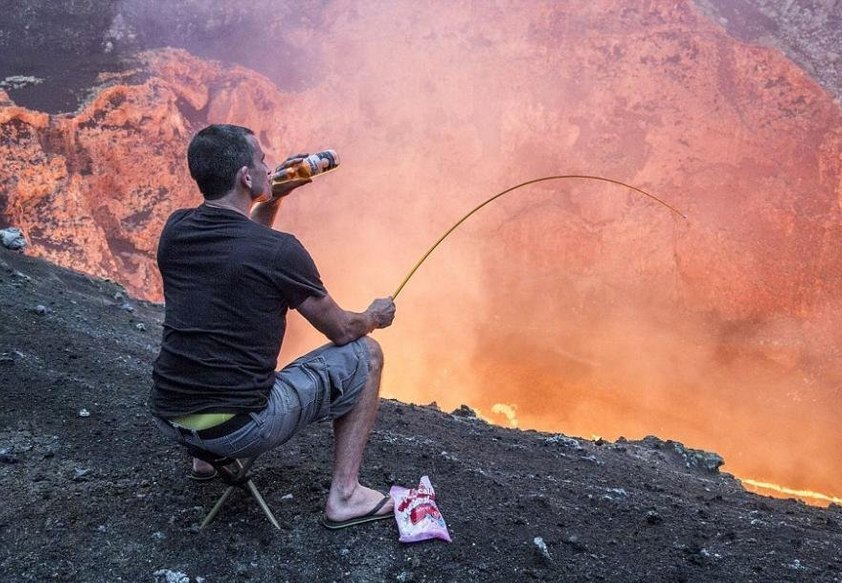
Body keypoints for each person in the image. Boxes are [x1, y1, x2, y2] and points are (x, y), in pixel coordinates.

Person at [149, 124, 397, 529]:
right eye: (261, 159)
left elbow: (240, 250)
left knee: (210, 330)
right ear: (245, 177)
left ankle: (203, 462)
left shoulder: (176, 229)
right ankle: (346, 495)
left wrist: (274, 197)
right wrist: (374, 316)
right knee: (366, 354)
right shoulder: (280, 251)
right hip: (239, 428)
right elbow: (342, 331)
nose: (269, 164)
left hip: (170, 416)